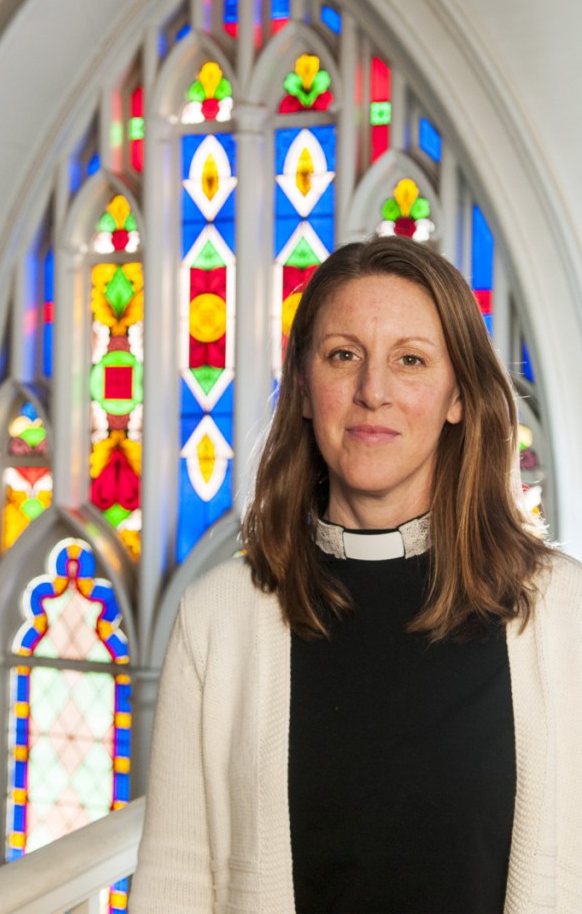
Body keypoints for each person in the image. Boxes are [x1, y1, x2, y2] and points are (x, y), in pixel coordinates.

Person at [129, 236, 582, 914]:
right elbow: (174, 882)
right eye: (343, 356)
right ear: (306, 389)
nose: (373, 392)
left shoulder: (563, 614)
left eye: (410, 361)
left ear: (458, 397)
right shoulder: (218, 617)